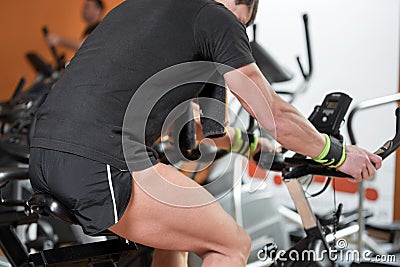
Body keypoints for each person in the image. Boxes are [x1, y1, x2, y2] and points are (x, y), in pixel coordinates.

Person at [29, 0, 382, 267]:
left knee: (178, 234)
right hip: (98, 162)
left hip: (42, 155)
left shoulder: (140, 8)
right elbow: (276, 116)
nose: (238, 34)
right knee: (231, 245)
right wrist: (337, 153)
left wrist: (255, 147)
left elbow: (197, 132)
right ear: (242, 7)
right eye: (242, 25)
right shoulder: (216, 17)